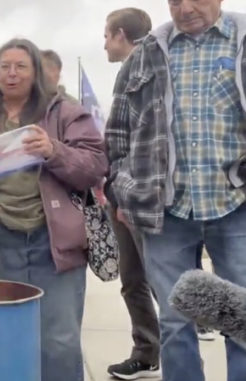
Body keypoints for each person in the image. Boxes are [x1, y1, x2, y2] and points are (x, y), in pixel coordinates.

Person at [0, 38, 108, 381]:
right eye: (4, 66)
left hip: (56, 247)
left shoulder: (64, 113)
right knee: (4, 339)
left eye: (20, 66)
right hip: (0, 243)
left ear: (36, 72)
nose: (11, 74)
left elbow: (95, 166)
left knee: (59, 342)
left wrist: (53, 150)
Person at [105, 1, 246, 380]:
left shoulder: (241, 41)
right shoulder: (147, 52)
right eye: (174, 1)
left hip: (235, 207)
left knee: (241, 317)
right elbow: (117, 134)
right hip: (166, 212)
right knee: (174, 321)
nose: (184, 8)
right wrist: (123, 188)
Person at [101, 7, 160, 381]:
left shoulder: (142, 65)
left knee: (151, 277)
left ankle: (156, 350)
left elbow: (129, 137)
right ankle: (148, 351)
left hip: (138, 193)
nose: (104, 44)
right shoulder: (137, 66)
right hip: (131, 189)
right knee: (136, 278)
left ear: (121, 34)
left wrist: (124, 196)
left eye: (106, 35)